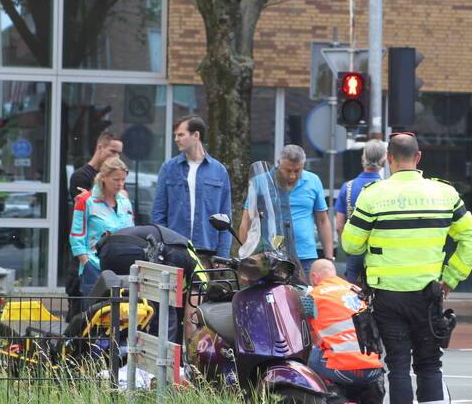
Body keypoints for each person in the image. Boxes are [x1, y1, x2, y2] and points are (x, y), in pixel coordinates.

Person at [341, 133, 472, 404]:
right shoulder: (444, 193)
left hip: (388, 298)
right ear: (418, 158)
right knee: (430, 365)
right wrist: (451, 278)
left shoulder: (373, 195)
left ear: (389, 159)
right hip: (429, 296)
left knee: (398, 367)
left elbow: (350, 245)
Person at [305, 259, 385, 404]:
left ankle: (337, 402)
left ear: (314, 277)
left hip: (341, 370)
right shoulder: (356, 290)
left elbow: (311, 337)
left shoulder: (313, 296)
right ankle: (376, 393)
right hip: (373, 369)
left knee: (308, 357)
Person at [240, 145, 333, 277]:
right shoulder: (261, 182)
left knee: (306, 297)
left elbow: (322, 220)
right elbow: (246, 221)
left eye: (297, 170)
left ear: (303, 165)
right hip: (271, 257)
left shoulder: (313, 181)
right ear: (278, 163)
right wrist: (247, 258)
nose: (293, 175)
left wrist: (329, 257)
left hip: (305, 256)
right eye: (288, 170)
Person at [152, 115, 232, 257]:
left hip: (207, 250)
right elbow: (158, 213)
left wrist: (223, 254)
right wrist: (161, 248)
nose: (176, 139)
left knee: (204, 280)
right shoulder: (168, 168)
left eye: (181, 134)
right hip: (174, 249)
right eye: (175, 135)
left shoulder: (219, 171)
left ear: (196, 135)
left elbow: (225, 216)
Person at [70, 156, 135, 296]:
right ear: (104, 177)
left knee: (122, 314)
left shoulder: (125, 202)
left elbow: (132, 232)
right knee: (95, 313)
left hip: (122, 266)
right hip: (95, 265)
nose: (120, 184)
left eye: (123, 180)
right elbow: (76, 236)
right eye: (116, 179)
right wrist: (86, 263)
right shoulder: (86, 200)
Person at [335, 139, 388, 283]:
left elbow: (339, 226)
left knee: (354, 297)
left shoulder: (348, 187)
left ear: (363, 158)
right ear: (384, 162)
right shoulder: (389, 189)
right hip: (382, 256)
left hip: (355, 254)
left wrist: (347, 248)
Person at [68, 130, 122, 203]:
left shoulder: (115, 175)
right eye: (113, 151)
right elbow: (86, 208)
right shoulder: (80, 176)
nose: (116, 157)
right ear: (100, 148)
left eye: (119, 153)